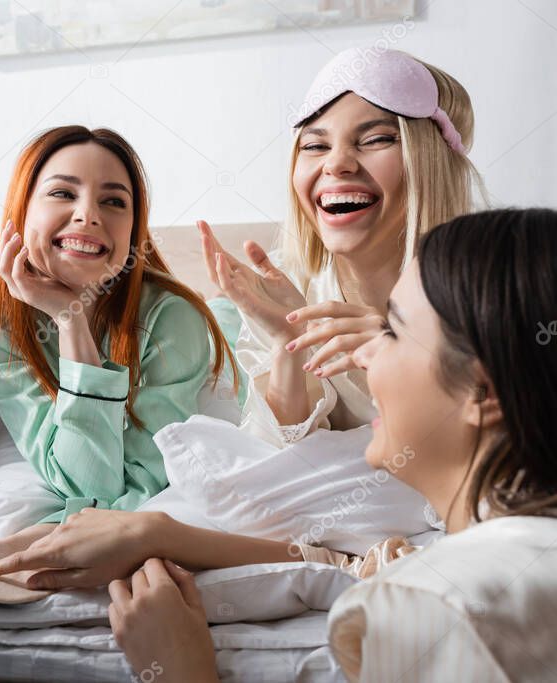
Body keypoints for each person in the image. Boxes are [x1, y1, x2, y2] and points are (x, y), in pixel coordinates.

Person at [6, 208, 557, 681]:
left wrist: (181, 668)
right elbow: (352, 563)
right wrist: (162, 533)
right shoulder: (502, 552)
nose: (363, 356)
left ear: (483, 391)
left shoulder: (438, 609)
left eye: (389, 332)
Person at [0, 125, 236, 575]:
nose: (88, 215)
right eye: (63, 194)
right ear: (21, 215)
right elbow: (82, 482)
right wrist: (69, 321)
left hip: (219, 359)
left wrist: (70, 320)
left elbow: (130, 488)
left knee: (226, 317)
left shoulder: (172, 316)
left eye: (113, 201)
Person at [199, 48, 484, 447]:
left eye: (376, 139)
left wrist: (410, 363)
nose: (337, 164)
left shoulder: (498, 291)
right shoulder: (284, 290)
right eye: (315, 146)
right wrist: (288, 344)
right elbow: (271, 463)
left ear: (432, 163)